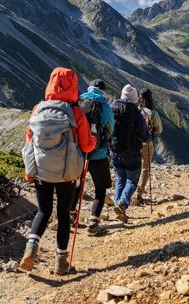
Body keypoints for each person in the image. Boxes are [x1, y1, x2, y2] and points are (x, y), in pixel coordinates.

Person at [19, 67, 96, 275]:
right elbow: (87, 146)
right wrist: (94, 140)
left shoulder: (37, 109)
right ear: (73, 86)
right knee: (63, 214)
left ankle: (30, 248)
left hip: (41, 172)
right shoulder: (76, 112)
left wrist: (30, 170)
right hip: (66, 174)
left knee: (43, 211)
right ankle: (61, 264)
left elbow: (29, 142)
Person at [70, 79, 115, 236]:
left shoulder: (79, 104)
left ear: (89, 88)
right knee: (100, 189)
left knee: (77, 185)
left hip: (79, 154)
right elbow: (111, 129)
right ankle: (93, 222)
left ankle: (70, 215)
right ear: (103, 91)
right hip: (99, 155)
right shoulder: (105, 107)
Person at [109, 84, 147, 223]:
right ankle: (122, 204)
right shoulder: (136, 112)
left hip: (114, 150)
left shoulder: (112, 107)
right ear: (134, 98)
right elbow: (143, 134)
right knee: (131, 180)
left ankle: (118, 207)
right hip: (132, 152)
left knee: (120, 179)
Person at [134, 87, 162, 206]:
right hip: (147, 143)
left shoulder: (134, 110)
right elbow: (159, 130)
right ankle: (139, 195)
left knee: (134, 167)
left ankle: (129, 192)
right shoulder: (152, 113)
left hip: (133, 143)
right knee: (145, 168)